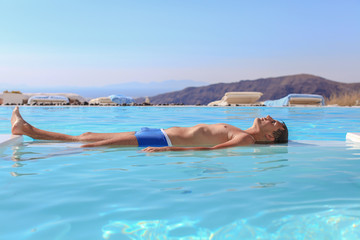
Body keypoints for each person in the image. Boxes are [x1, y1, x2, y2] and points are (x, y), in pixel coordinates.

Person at [11, 106, 288, 152]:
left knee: (88, 146)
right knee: (84, 137)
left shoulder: (244, 139)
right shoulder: (243, 132)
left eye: (274, 122)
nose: (268, 116)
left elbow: (213, 150)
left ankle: (31, 135)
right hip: (156, 131)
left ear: (269, 136)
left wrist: (169, 151)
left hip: (160, 139)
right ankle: (29, 129)